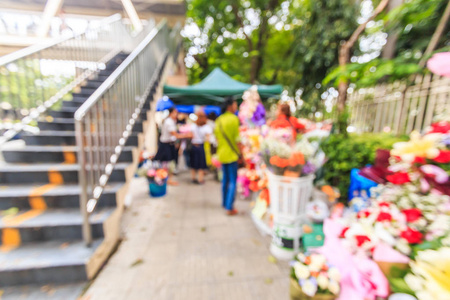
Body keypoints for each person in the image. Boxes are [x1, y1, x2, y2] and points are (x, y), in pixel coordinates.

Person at [214, 98, 241, 216]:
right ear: (230, 106)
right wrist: (241, 154)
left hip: (222, 154)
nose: (236, 106)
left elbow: (217, 138)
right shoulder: (234, 119)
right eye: (235, 104)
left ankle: (224, 203)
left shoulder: (219, 120)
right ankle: (229, 207)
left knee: (225, 180)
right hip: (232, 154)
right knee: (233, 181)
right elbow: (237, 140)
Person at [154, 108, 190, 185]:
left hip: (169, 144)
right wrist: (187, 135)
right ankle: (165, 179)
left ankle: (167, 179)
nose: (176, 114)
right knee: (166, 164)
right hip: (166, 145)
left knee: (169, 164)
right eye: (175, 113)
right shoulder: (169, 122)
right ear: (171, 113)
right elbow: (175, 134)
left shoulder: (171, 121)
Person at [189, 110, 211, 184]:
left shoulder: (193, 126)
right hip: (201, 146)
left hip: (193, 146)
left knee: (193, 163)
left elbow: (191, 136)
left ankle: (193, 177)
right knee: (201, 164)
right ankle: (200, 179)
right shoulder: (206, 127)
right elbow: (208, 139)